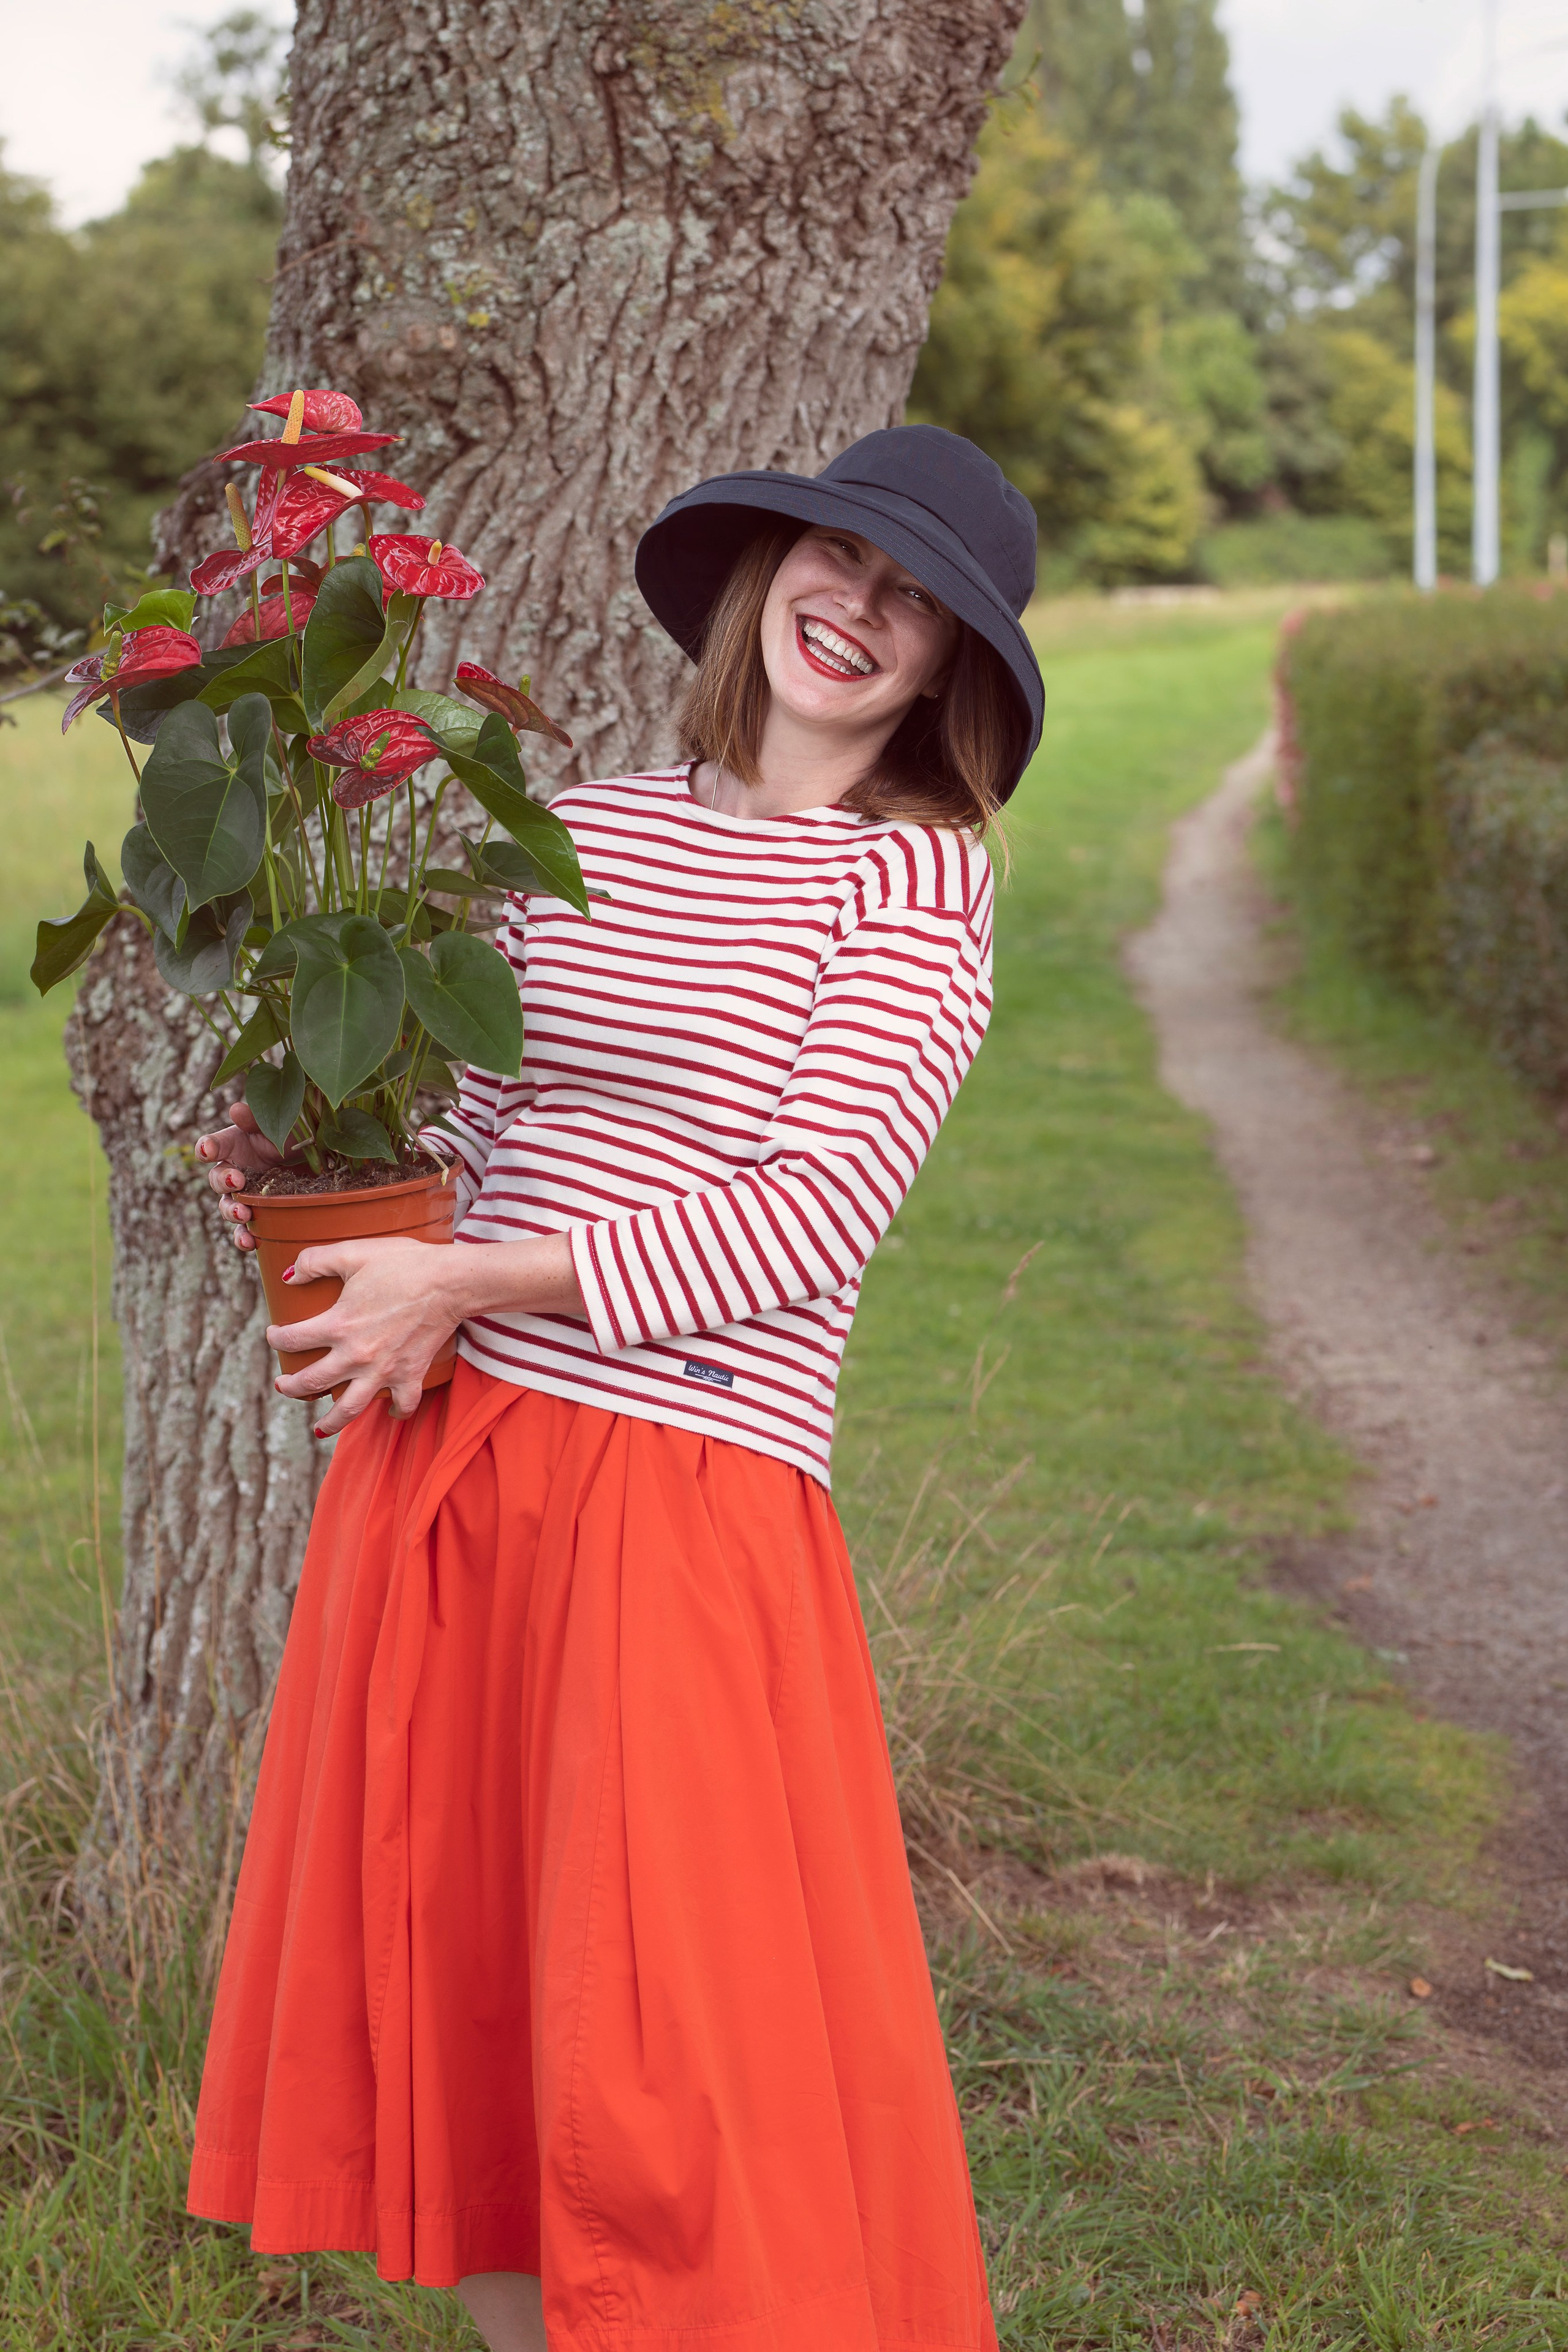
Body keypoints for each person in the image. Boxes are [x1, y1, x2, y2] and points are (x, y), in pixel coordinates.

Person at [186, 423, 1046, 2352]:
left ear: (949, 672)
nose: (862, 611)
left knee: (661, 2049)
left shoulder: (909, 883)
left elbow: (812, 1215)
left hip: (677, 1489)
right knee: (478, 1999)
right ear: (768, 575)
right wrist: (335, 1162)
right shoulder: (588, 819)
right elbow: (480, 1102)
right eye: (842, 560)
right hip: (454, 1451)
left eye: (916, 604)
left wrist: (468, 1274)